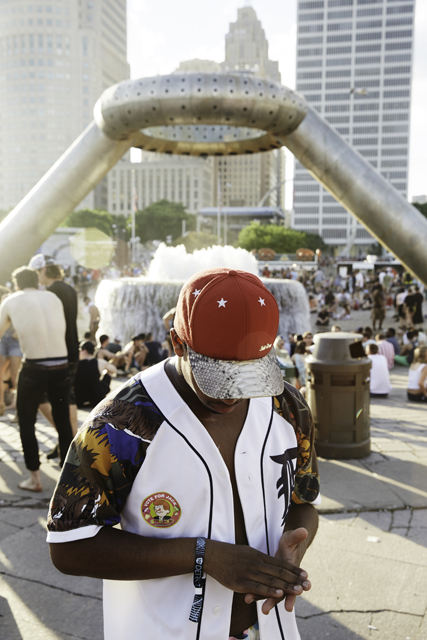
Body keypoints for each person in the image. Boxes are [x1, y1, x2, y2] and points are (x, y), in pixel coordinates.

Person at [47, 267, 319, 640]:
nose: (232, 393)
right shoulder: (121, 423)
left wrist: (293, 550)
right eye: (217, 375)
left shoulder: (286, 406)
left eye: (248, 374)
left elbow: (304, 501)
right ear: (178, 343)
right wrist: (204, 556)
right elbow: (68, 546)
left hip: (270, 630)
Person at [0, 267, 73, 492]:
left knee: (26, 421)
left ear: (17, 284)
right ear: (37, 281)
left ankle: (34, 479)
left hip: (34, 368)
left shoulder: (12, 300)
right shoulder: (52, 297)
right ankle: (69, 478)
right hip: (61, 366)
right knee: (63, 421)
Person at [74, 341, 116, 409]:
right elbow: (114, 370)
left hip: (79, 399)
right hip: (96, 398)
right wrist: (104, 371)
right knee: (108, 374)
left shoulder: (76, 364)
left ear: (84, 351)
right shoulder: (100, 362)